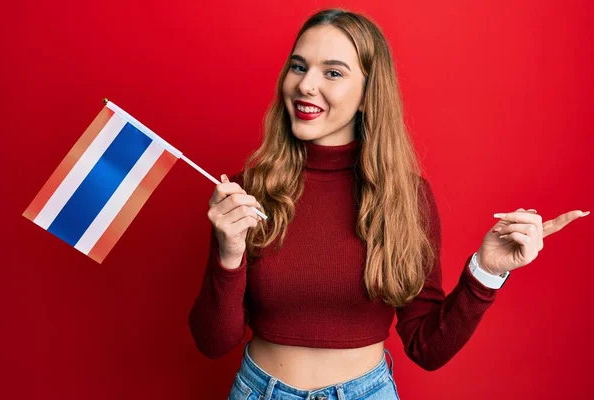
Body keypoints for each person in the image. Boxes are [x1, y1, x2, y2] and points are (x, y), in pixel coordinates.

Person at [188, 8, 588, 400]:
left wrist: (486, 271)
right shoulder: (246, 193)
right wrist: (229, 253)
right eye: (298, 67)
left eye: (332, 72)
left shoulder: (406, 199)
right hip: (259, 391)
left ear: (367, 94)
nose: (306, 85)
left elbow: (427, 348)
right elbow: (213, 341)